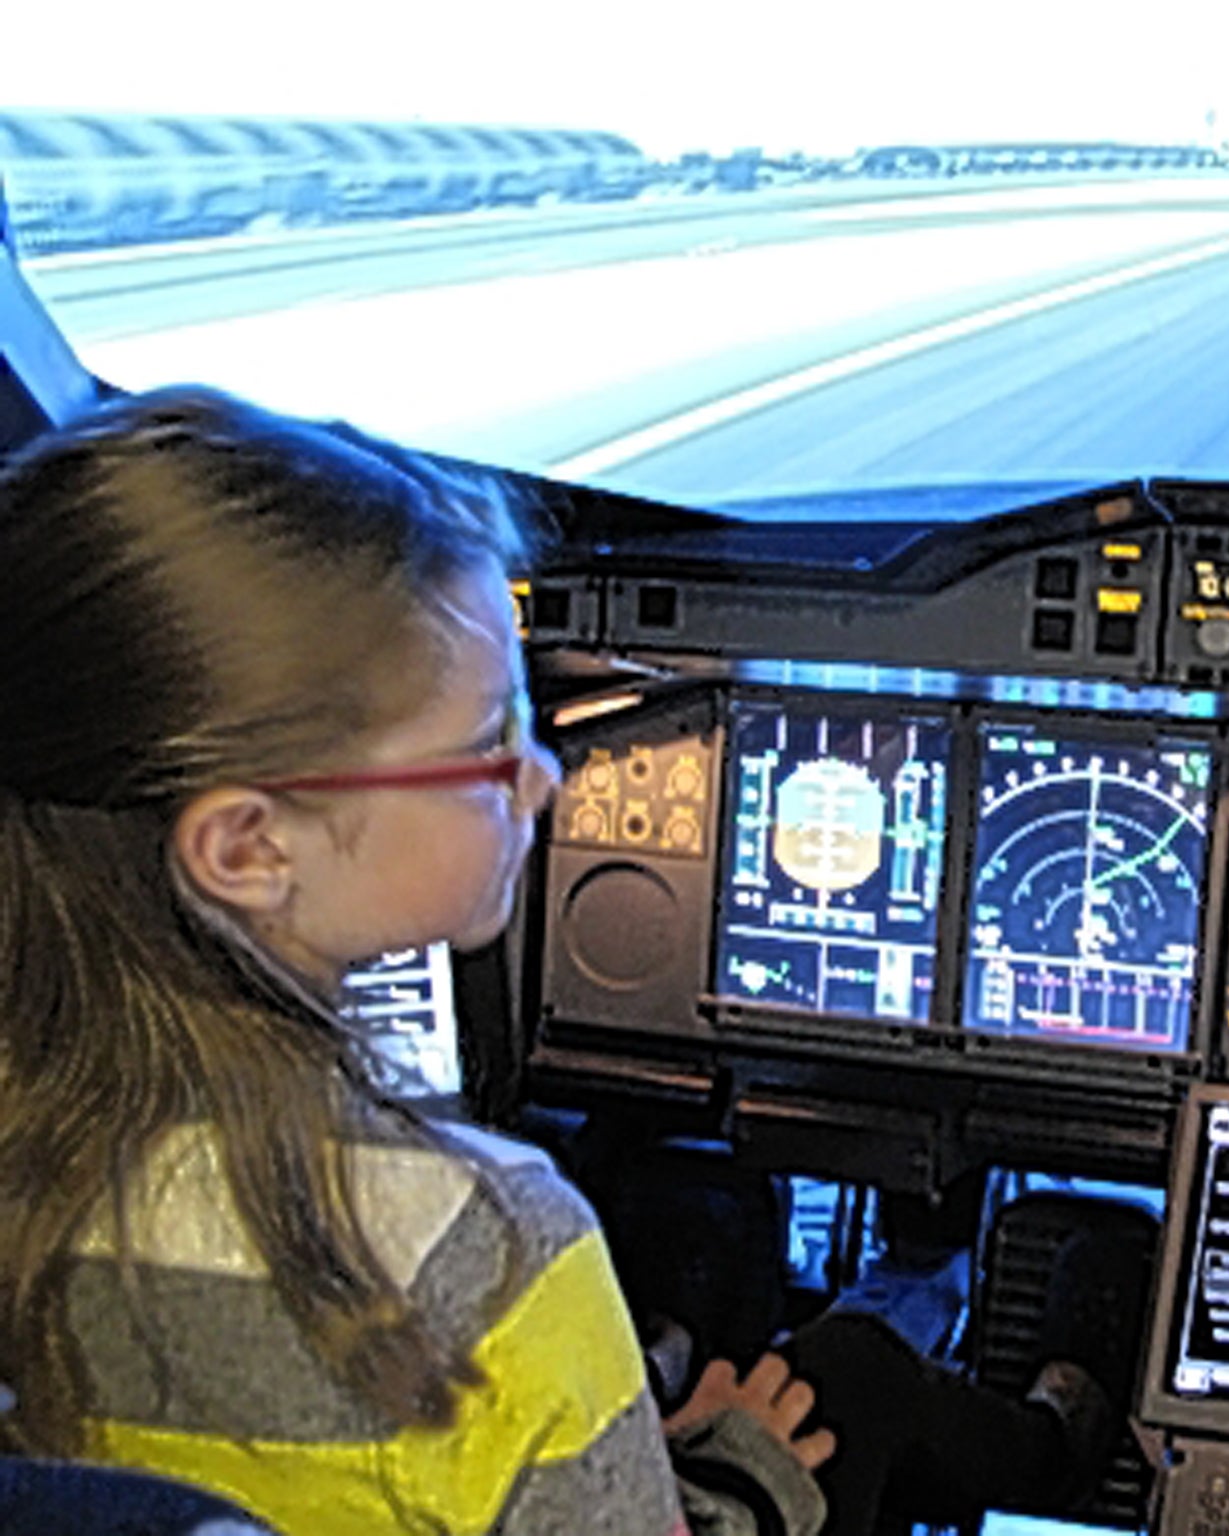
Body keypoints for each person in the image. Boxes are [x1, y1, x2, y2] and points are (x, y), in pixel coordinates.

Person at [0, 386, 832, 1535]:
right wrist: (744, 1485)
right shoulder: (495, 1257)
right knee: (862, 1392)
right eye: (488, 742)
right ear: (247, 846)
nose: (544, 777)